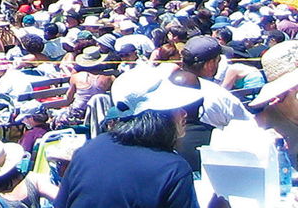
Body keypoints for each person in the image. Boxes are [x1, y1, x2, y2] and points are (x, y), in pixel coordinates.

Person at [52, 76, 203, 207]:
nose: (184, 113)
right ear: (159, 118)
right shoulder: (173, 168)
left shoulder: (90, 149)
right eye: (177, 109)